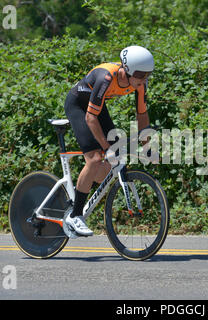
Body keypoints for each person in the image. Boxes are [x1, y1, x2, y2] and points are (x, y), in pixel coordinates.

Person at [63, 45, 154, 236]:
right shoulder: (107, 77)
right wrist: (105, 147)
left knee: (111, 164)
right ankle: (75, 215)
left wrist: (147, 146)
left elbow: (142, 115)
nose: (143, 79)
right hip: (78, 106)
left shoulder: (140, 84)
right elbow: (90, 118)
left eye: (147, 75)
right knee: (95, 158)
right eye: (139, 74)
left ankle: (79, 192)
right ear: (126, 70)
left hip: (97, 106)